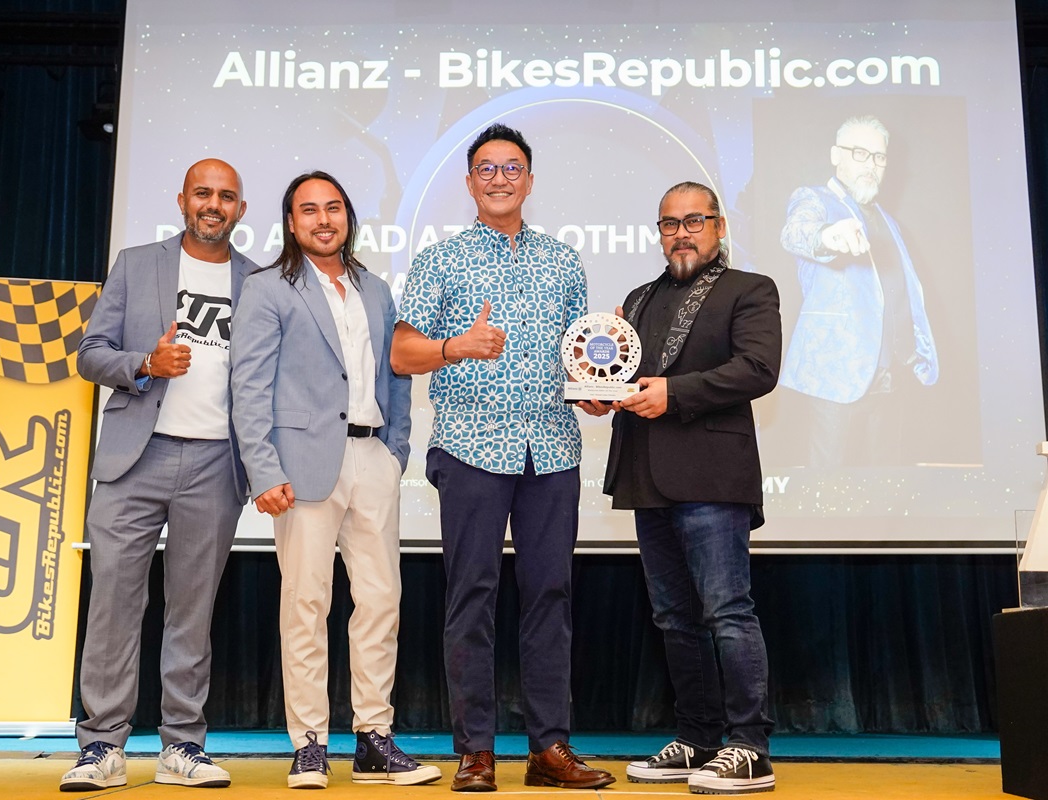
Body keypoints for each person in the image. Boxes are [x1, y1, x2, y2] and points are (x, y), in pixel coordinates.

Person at [392, 123, 614, 793]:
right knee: (472, 597)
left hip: (552, 450)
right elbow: (401, 352)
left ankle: (550, 750)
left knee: (551, 596)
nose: (499, 178)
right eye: (486, 169)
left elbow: (578, 361)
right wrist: (456, 347)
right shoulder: (441, 260)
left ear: (530, 180)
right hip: (470, 447)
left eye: (511, 167)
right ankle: (476, 753)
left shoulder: (563, 261)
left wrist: (595, 391)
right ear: (468, 183)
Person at [230, 172, 437, 790]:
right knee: (306, 604)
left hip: (373, 457)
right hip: (300, 468)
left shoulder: (376, 289)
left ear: (348, 217)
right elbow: (249, 386)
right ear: (291, 223)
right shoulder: (267, 288)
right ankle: (310, 744)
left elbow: (396, 375)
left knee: (380, 600)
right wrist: (264, 469)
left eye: (334, 208)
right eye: (309, 210)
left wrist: (395, 452)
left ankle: (374, 739)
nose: (324, 219)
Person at [61, 159, 255, 791]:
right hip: (133, 460)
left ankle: (182, 747)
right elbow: (90, 355)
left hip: (216, 464)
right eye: (203, 193)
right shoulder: (136, 264)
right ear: (182, 200)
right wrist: (146, 362)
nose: (213, 204)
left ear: (240, 209)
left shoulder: (260, 282)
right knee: (114, 604)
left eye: (226, 196)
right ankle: (101, 746)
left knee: (192, 613)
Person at [581, 181, 781, 794]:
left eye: (694, 221)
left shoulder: (751, 289)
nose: (681, 234)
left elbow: (758, 369)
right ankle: (697, 738)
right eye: (670, 224)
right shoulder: (638, 299)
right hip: (647, 474)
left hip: (713, 476)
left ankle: (750, 747)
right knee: (674, 617)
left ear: (719, 226)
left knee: (726, 611)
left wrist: (675, 392)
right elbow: (626, 374)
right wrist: (602, 391)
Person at [779, 115, 938, 466]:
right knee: (829, 486)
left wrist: (914, 353)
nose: (871, 165)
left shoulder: (890, 221)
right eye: (860, 153)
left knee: (887, 485)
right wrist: (827, 236)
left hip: (891, 379)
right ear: (836, 155)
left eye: (879, 157)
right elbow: (795, 232)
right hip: (835, 379)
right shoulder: (814, 199)